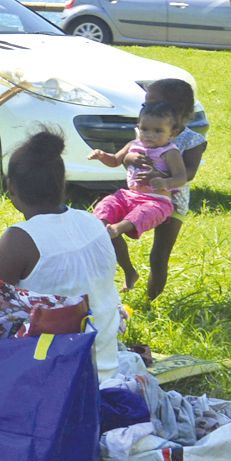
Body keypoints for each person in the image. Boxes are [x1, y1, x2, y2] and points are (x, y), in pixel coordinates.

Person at [0, 129, 125, 375]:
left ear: (11, 188)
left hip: (56, 379)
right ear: (62, 184)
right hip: (107, 364)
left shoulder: (19, 241)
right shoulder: (93, 223)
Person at [87, 104, 187, 287]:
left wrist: (165, 182)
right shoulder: (133, 145)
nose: (149, 135)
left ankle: (117, 229)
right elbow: (115, 160)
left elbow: (181, 177)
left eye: (157, 131)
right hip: (129, 196)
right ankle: (129, 272)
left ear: (172, 133)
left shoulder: (170, 152)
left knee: (138, 216)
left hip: (157, 201)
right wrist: (102, 156)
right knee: (105, 208)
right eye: (144, 129)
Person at [142, 77, 207, 299]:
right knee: (111, 230)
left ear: (175, 111)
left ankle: (151, 299)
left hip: (172, 201)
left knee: (159, 254)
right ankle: (127, 275)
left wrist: (164, 179)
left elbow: (189, 172)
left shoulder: (192, 140)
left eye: (149, 103)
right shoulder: (147, 131)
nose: (144, 108)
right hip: (140, 196)